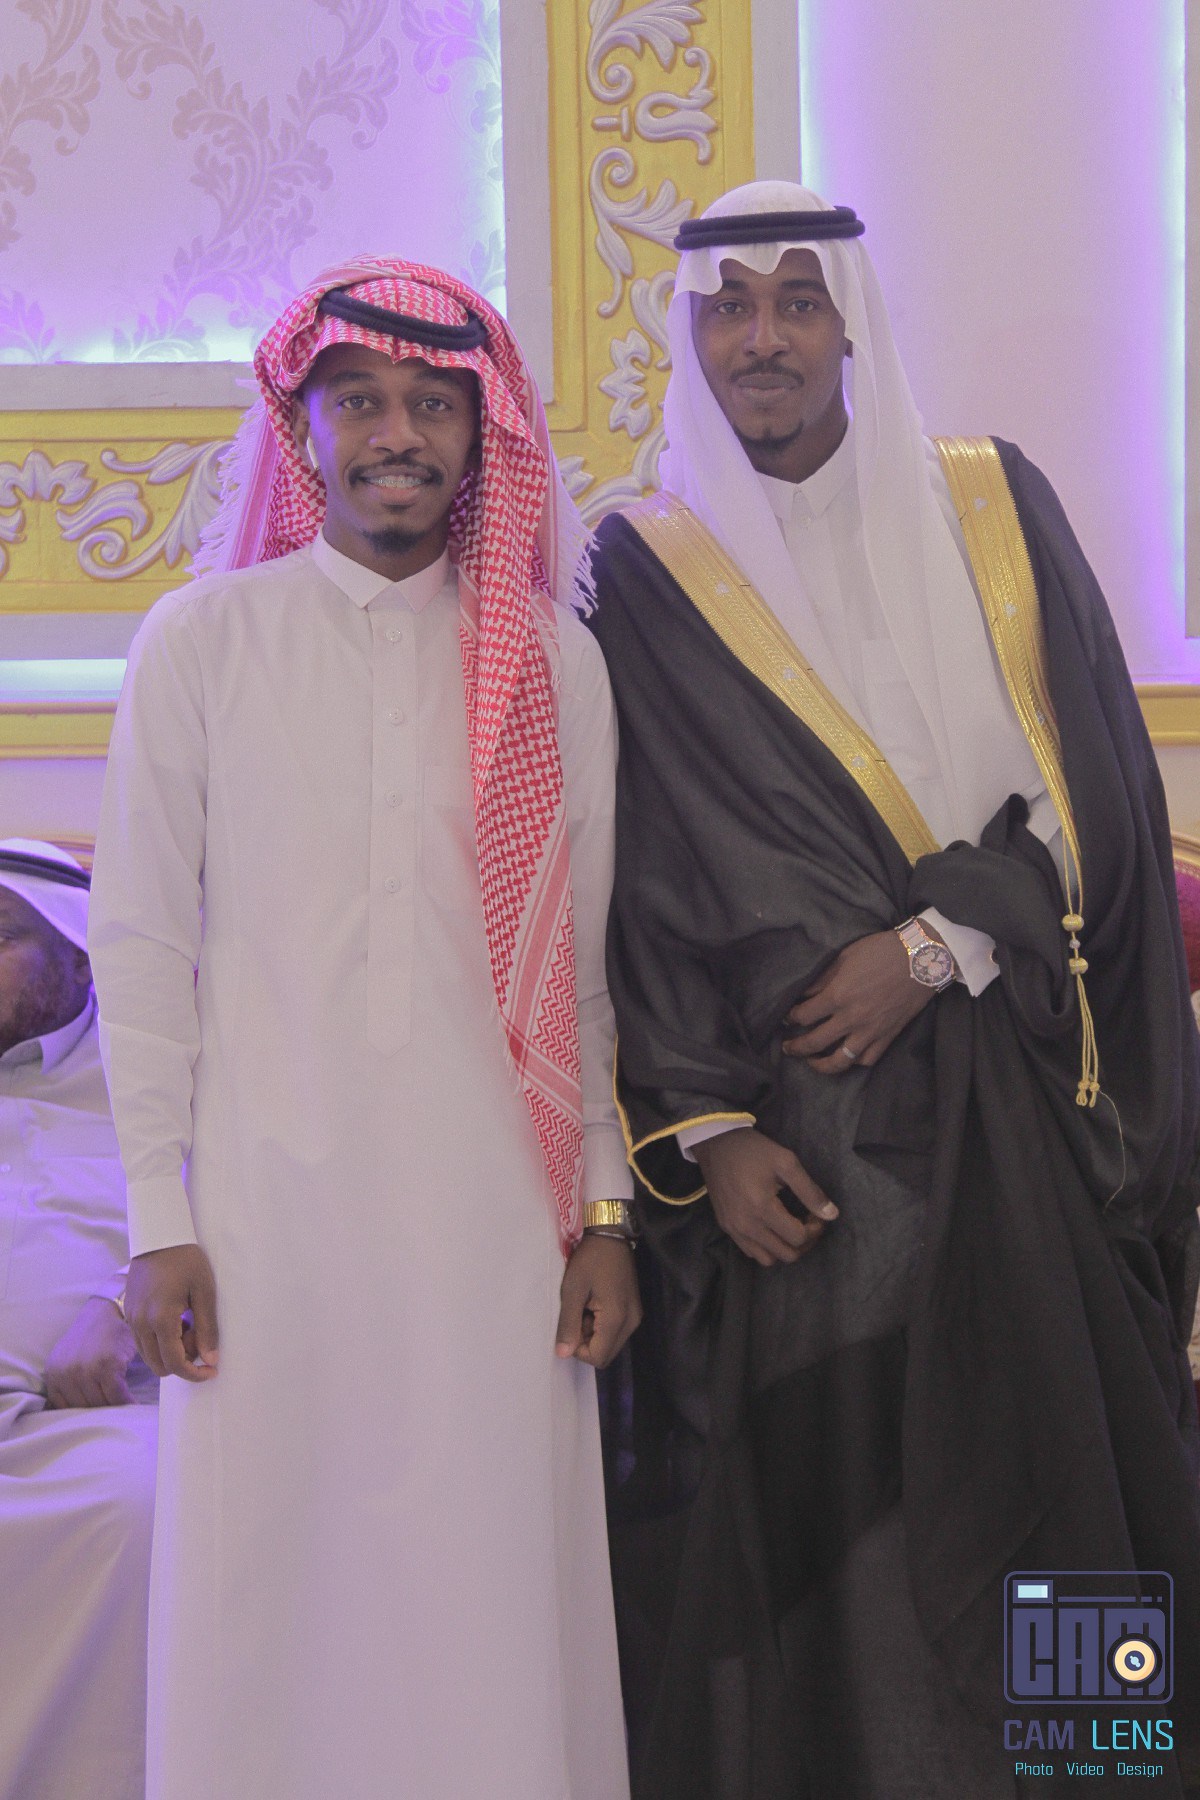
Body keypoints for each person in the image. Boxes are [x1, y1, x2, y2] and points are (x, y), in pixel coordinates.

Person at [590, 182, 1200, 1798]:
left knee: (1055, 1483)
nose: (765, 338)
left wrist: (937, 947)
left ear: (851, 321)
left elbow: (1096, 795)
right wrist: (708, 1132)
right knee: (836, 1546)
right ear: (689, 334)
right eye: (732, 306)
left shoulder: (992, 505)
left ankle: (1091, 1777)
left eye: (800, 301)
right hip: (803, 1160)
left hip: (1022, 1111)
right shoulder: (642, 571)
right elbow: (632, 880)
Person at [87, 260, 639, 1800]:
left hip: (495, 1223)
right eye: (363, 401)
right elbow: (141, 949)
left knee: (485, 1593)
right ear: (306, 426)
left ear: (481, 433)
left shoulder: (554, 663)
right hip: (263, 1219)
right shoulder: (201, 641)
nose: (399, 433)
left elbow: (586, 975)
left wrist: (604, 1215)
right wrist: (156, 1221)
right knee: (271, 1594)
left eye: (435, 404)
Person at [0, 837, 157, 1800]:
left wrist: (118, 1302)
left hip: (81, 1421)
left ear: (81, 957)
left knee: (145, 1502)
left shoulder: (153, 1084)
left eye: (1, 937)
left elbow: (234, 1219)